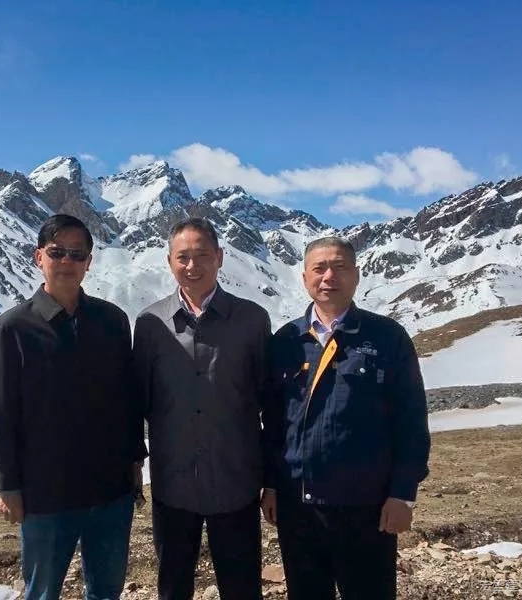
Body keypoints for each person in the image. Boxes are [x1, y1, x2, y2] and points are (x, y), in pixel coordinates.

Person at [0, 214, 147, 600]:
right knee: (43, 593)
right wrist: (8, 486)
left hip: (111, 490)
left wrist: (135, 461)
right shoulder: (11, 330)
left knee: (106, 592)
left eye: (77, 254)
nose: (67, 262)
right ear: (39, 256)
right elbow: (0, 414)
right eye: (57, 252)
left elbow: (127, 399)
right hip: (46, 494)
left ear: (89, 262)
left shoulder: (112, 321)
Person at [260, 236, 431, 600]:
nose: (329, 277)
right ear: (304, 277)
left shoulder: (388, 338)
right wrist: (271, 485)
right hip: (299, 507)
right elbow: (274, 423)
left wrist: (403, 494)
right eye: (319, 268)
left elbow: (411, 422)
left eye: (339, 267)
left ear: (356, 275)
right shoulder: (285, 341)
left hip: (366, 508)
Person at [133, 217, 271, 600]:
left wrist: (272, 479)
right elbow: (138, 401)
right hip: (173, 485)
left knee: (242, 589)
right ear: (169, 261)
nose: (192, 266)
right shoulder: (150, 324)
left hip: (235, 482)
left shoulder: (252, 320)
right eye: (183, 257)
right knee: (173, 588)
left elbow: (270, 402)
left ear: (220, 258)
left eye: (202, 256)